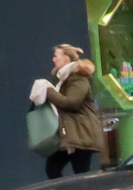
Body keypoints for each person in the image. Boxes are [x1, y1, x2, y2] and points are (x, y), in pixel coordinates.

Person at [33, 44, 102, 177]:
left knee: (80, 174)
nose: (53, 59)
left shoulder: (78, 77)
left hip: (81, 134)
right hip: (71, 135)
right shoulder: (62, 79)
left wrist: (48, 90)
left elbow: (71, 103)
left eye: (56, 56)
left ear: (66, 58)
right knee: (53, 168)